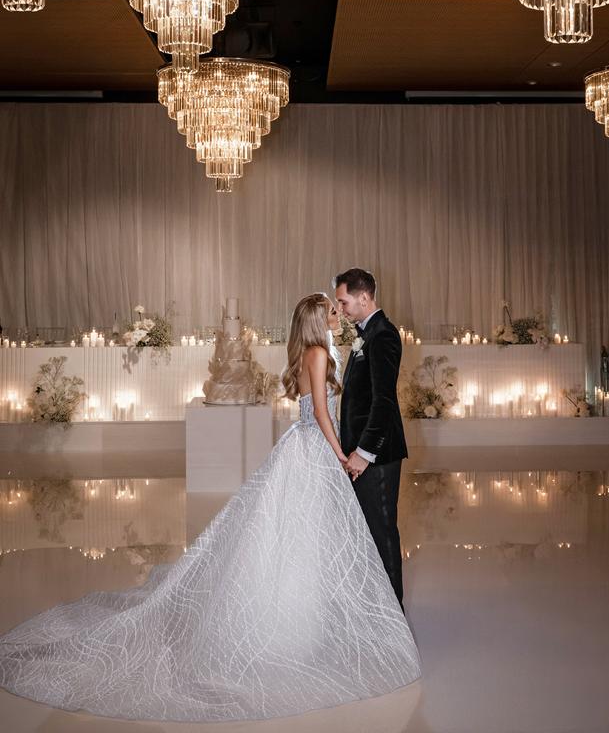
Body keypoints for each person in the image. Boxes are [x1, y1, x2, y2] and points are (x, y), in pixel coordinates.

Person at [0, 293, 420, 722]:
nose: (338, 316)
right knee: (299, 534)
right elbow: (322, 419)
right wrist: (340, 455)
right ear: (316, 320)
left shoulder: (319, 351)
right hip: (315, 449)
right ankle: (291, 628)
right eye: (332, 311)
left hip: (309, 450)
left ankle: (311, 620)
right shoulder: (316, 353)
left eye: (339, 308)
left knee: (308, 536)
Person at [334, 268, 408, 608]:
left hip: (377, 454)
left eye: (344, 301)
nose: (342, 309)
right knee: (366, 530)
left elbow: (384, 401)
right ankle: (373, 605)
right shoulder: (367, 334)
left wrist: (364, 452)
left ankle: (394, 611)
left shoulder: (384, 335)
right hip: (360, 450)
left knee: (382, 530)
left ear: (364, 298)